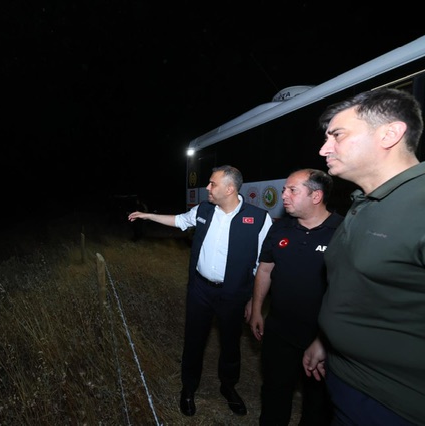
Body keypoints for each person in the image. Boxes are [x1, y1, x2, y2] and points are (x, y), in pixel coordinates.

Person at [302, 87, 425, 426]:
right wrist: (325, 341)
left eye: (337, 135)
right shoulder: (363, 203)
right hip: (343, 381)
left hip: (394, 406)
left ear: (389, 134)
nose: (324, 149)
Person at [128, 164, 273, 417]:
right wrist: (148, 216)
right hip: (200, 291)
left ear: (229, 189)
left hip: (233, 295)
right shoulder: (204, 209)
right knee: (194, 341)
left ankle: (228, 387)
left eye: (212, 184)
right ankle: (188, 388)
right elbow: (179, 221)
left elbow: (263, 265)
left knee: (230, 344)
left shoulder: (260, 219)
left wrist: (254, 301)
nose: (207, 187)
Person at [250, 168, 343, 425]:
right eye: (283, 190)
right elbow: (265, 269)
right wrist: (257, 308)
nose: (284, 196)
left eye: (292, 190)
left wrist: (324, 339)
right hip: (279, 332)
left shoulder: (343, 232)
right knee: (274, 394)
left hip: (322, 339)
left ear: (316, 196)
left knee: (317, 404)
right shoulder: (280, 229)